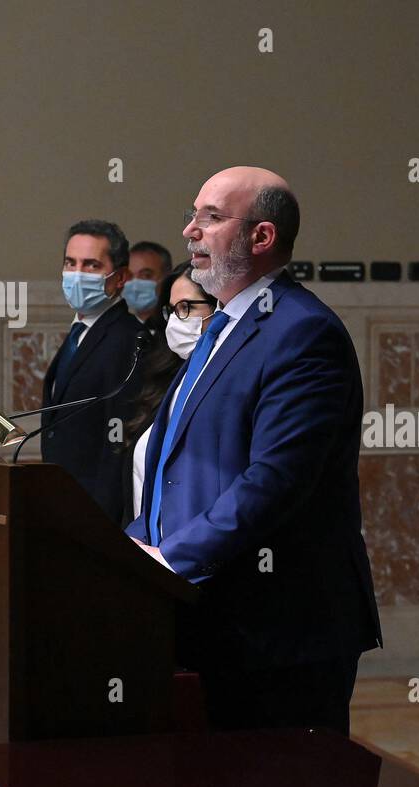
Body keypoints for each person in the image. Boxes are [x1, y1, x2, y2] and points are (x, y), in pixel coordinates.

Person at [125, 166, 382, 735]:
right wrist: (129, 549)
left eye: (211, 218)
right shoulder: (220, 328)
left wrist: (169, 561)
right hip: (211, 622)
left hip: (280, 633)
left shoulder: (302, 332)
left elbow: (276, 479)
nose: (190, 230)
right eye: (193, 214)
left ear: (261, 238)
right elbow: (176, 467)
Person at [42, 219, 143, 519]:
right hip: (62, 502)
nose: (76, 275)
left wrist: (97, 524)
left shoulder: (127, 339)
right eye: (70, 263)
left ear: (120, 277)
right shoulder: (81, 331)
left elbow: (118, 446)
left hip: (93, 516)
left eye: (91, 265)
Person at [120, 261, 215, 526]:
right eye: (171, 310)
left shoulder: (228, 384)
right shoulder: (171, 380)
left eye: (186, 308)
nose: (175, 321)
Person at [124, 240, 173, 325]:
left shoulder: (180, 327)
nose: (135, 285)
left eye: (146, 275)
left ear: (167, 277)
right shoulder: (117, 329)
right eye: (129, 276)